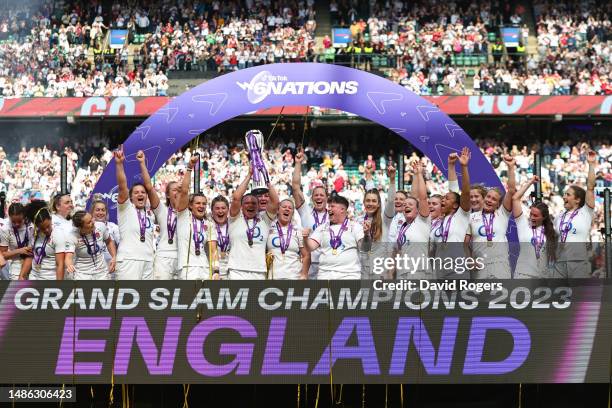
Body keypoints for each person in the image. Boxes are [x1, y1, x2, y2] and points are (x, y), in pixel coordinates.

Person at [466, 155, 516, 279]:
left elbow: (511, 190)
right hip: (479, 267)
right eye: (488, 197)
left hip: (500, 265)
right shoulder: (471, 217)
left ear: (498, 204)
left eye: (494, 199)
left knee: (502, 298)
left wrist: (510, 168)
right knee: (482, 298)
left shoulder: (502, 215)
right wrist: (469, 259)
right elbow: (465, 243)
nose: (490, 200)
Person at [227, 168, 279, 279]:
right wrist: (249, 174)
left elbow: (275, 202)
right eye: (247, 203)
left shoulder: (264, 219)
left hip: (259, 270)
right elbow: (236, 198)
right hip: (237, 270)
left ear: (258, 205)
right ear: (241, 206)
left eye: (254, 203)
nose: (250, 205)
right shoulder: (235, 218)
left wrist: (267, 180)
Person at [552, 150, 597, 278]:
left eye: (568, 194)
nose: (564, 196)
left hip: (578, 263)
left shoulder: (585, 213)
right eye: (564, 194)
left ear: (577, 199)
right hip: (559, 263)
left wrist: (591, 165)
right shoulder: (559, 217)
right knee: (557, 296)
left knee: (580, 296)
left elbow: (590, 187)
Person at [136, 150, 179, 280]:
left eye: (180, 189)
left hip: (183, 258)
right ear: (167, 194)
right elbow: (149, 187)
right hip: (164, 257)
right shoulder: (162, 210)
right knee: (162, 294)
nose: (178, 191)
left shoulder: (189, 212)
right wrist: (142, 163)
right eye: (174, 189)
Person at [175, 154, 219, 280]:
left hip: (204, 268)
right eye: (198, 203)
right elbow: (184, 191)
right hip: (186, 268)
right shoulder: (183, 217)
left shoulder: (209, 224)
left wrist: (216, 270)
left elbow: (213, 249)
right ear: (190, 205)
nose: (201, 206)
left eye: (204, 204)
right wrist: (189, 168)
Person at [114, 149, 156, 280]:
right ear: (130, 197)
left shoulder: (150, 214)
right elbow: (122, 186)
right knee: (126, 299)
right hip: (129, 260)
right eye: (136, 192)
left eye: (143, 192)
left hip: (148, 261)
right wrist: (120, 164)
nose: (140, 194)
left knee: (144, 299)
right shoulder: (126, 209)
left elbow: (150, 186)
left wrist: (142, 162)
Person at [305, 194, 365, 280]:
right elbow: (310, 247)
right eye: (328, 206)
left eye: (332, 206)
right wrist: (305, 238)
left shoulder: (354, 226)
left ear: (342, 209)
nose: (328, 209)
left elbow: (364, 247)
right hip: (325, 276)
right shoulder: (322, 228)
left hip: (349, 276)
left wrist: (366, 235)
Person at [433, 148, 472, 278]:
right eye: (442, 198)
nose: (443, 200)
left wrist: (464, 166)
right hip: (440, 274)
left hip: (457, 272)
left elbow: (465, 193)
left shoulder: (461, 216)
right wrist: (450, 165)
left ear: (456, 205)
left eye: (447, 199)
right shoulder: (439, 222)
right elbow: (452, 190)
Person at [292, 148, 328, 278]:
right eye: (316, 195)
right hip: (309, 264)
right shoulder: (305, 211)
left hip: (327, 264)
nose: (319, 197)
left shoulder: (333, 216)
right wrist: (298, 164)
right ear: (312, 198)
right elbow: (295, 187)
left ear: (326, 198)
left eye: (321, 195)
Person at [512, 176, 557, 278]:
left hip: (541, 278)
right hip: (522, 275)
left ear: (544, 217)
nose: (532, 217)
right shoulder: (523, 225)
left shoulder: (550, 233)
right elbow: (515, 198)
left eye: (535, 215)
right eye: (531, 214)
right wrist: (531, 182)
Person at [393, 160, 431, 278]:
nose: (406, 205)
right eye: (404, 205)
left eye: (410, 205)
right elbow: (412, 197)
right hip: (402, 275)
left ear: (418, 209)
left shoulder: (422, 221)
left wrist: (419, 174)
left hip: (420, 274)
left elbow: (422, 197)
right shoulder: (403, 226)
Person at [22, 200, 67, 280]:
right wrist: (22, 276)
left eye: (48, 226)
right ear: (36, 226)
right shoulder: (33, 232)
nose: (46, 230)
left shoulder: (58, 234)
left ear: (50, 219)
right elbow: (30, 255)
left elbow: (60, 264)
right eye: (42, 228)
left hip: (50, 280)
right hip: (34, 277)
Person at [65, 210, 116, 280]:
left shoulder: (100, 226)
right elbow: (68, 257)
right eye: (89, 222)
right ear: (80, 228)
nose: (93, 222)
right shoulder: (72, 235)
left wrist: (114, 257)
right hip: (82, 274)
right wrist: (69, 265)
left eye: (92, 218)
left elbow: (109, 241)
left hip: (102, 272)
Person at [266, 199, 309, 279]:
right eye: (284, 207)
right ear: (278, 210)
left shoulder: (298, 230)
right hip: (273, 277)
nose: (287, 209)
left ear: (292, 213)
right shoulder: (268, 227)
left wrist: (304, 274)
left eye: (290, 208)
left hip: (294, 276)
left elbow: (306, 255)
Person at [0, 203, 34, 280]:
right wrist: (20, 251)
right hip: (16, 266)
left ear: (24, 216)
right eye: (13, 221)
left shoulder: (31, 225)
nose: (16, 224)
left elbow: (31, 251)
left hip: (33, 265)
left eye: (19, 221)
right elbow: (3, 255)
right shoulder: (5, 228)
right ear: (9, 217)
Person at [89, 199, 121, 271]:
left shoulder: (113, 227)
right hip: (92, 268)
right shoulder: (86, 227)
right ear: (92, 212)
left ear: (106, 213)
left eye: (103, 210)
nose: (100, 212)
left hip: (110, 267)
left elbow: (121, 244)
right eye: (97, 210)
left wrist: (115, 258)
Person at [211, 195, 231, 279]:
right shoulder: (207, 225)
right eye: (217, 208)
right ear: (212, 210)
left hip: (231, 271)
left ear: (228, 210)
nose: (220, 211)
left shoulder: (234, 224)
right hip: (213, 271)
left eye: (223, 208)